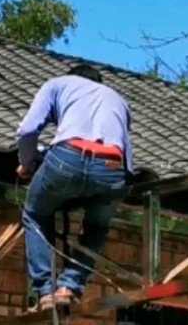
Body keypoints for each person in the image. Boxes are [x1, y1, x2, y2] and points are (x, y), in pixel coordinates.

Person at [16, 64, 134, 311]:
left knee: (35, 213)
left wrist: (27, 163)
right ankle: (69, 286)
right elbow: (124, 154)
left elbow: (28, 130)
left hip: (66, 159)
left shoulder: (57, 84)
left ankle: (45, 292)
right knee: (97, 226)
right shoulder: (118, 100)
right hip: (111, 166)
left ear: (72, 77)